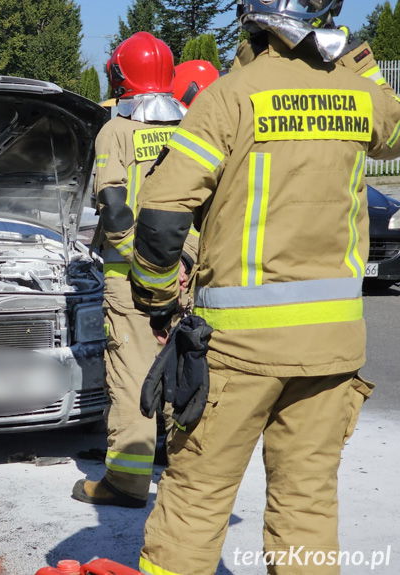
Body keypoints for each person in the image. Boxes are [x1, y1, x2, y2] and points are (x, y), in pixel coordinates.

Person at [129, 1, 400, 573]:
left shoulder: (232, 95)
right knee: (307, 502)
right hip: (332, 349)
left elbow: (162, 213)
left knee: (196, 501)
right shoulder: (359, 95)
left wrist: (155, 301)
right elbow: (394, 129)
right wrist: (362, 64)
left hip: (239, 351)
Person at [71, 32, 193, 508]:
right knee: (182, 374)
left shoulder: (116, 130)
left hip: (133, 278)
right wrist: (184, 263)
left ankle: (126, 481)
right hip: (187, 275)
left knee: (132, 377)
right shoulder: (196, 125)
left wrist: (146, 264)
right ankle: (184, 475)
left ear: (119, 74)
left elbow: (115, 209)